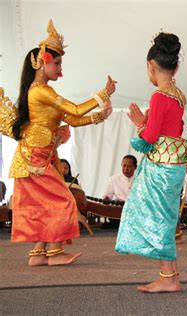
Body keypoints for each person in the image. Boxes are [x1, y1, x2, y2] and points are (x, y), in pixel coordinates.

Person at [4, 20, 115, 267]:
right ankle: (55, 252)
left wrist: (100, 116)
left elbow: (72, 119)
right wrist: (103, 94)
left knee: (45, 204)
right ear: (42, 62)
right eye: (57, 63)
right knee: (63, 199)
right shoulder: (40, 91)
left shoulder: (43, 92)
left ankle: (38, 253)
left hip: (40, 156)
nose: (60, 69)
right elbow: (74, 108)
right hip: (34, 158)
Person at [115, 32, 187, 293]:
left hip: (160, 168)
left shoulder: (159, 96)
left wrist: (139, 123)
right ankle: (170, 276)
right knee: (165, 219)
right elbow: (173, 129)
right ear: (176, 65)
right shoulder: (179, 95)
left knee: (157, 219)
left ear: (151, 66)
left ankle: (168, 277)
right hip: (175, 166)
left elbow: (151, 136)